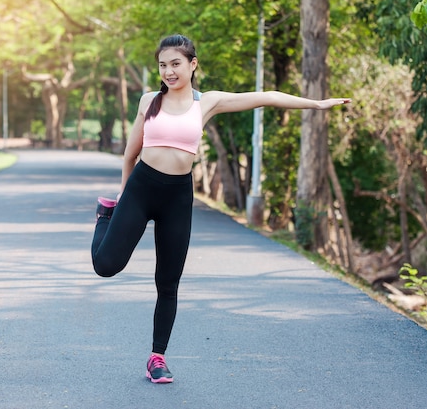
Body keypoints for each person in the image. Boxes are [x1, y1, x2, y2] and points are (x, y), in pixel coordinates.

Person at [91, 34, 350, 384]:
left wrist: (316, 105)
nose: (168, 71)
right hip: (140, 189)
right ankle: (104, 215)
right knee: (106, 266)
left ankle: (157, 358)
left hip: (178, 197)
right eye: (163, 65)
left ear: (193, 64)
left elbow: (265, 97)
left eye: (175, 64)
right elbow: (129, 153)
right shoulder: (148, 100)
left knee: (168, 282)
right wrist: (122, 196)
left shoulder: (207, 103)